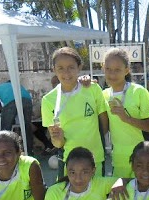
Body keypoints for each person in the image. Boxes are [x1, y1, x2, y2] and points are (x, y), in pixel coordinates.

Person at [42, 47, 109, 178]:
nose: (66, 72)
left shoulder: (92, 88)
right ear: (54, 70)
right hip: (69, 162)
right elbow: (57, 143)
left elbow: (104, 122)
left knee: (97, 197)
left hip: (95, 159)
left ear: (79, 67)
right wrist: (58, 139)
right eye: (60, 68)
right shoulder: (48, 100)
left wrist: (96, 144)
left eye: (71, 67)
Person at [102, 48, 149, 178]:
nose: (112, 74)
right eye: (108, 69)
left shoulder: (139, 92)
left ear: (126, 70)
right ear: (103, 69)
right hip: (119, 158)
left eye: (117, 70)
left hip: (141, 157)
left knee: (141, 196)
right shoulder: (103, 95)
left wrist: (126, 118)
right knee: (122, 197)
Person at [0, 80, 35, 154]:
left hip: (11, 101)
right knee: (27, 127)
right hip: (28, 100)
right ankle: (29, 151)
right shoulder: (17, 85)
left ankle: (5, 151)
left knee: (5, 129)